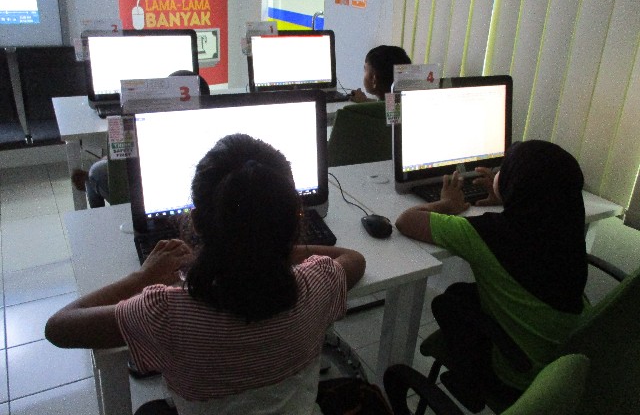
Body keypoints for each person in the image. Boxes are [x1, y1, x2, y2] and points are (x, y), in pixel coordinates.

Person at [46, 133, 366, 414]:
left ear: (197, 223)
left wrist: (142, 277)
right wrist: (270, 248)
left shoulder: (164, 313)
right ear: (295, 221)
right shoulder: (318, 284)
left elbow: (59, 327)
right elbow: (353, 259)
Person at [395, 140, 589, 407]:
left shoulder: (489, 235)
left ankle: (472, 383)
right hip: (563, 359)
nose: (498, 172)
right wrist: (507, 195)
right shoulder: (566, 228)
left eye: (505, 170)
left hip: (518, 373)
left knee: (450, 301)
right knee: (462, 293)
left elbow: (406, 221)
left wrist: (446, 203)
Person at [71, 71, 210, 208]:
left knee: (97, 172)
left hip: (150, 197)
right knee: (107, 165)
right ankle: (93, 182)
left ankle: (93, 189)